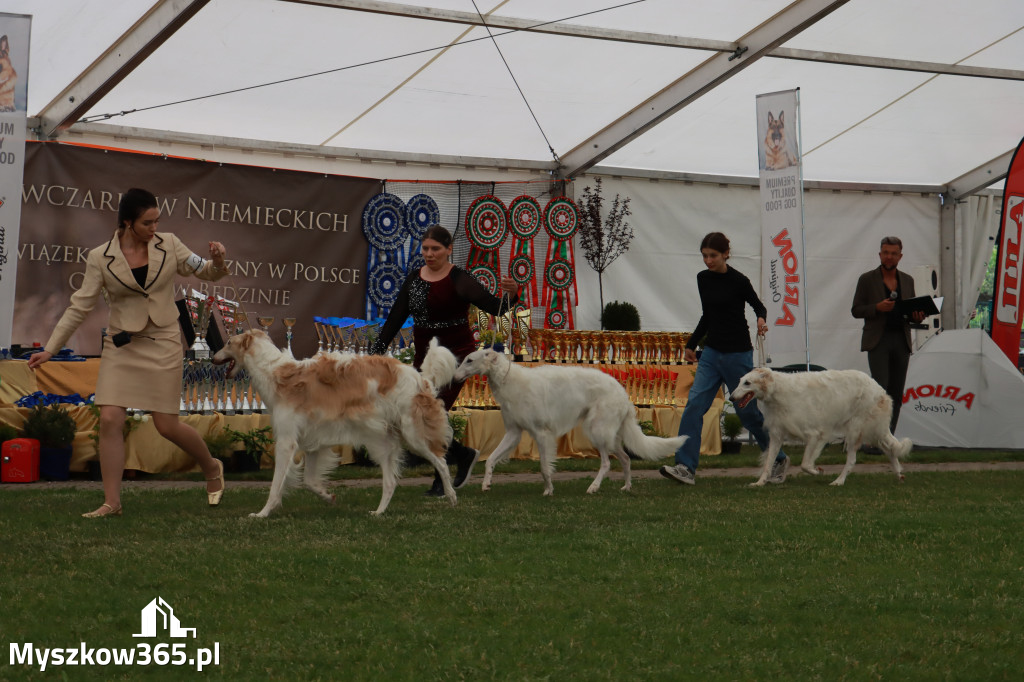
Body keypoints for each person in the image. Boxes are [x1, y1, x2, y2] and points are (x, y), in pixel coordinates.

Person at [28, 188, 231, 517]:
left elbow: (205, 270)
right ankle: (112, 502)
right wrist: (51, 348)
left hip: (163, 339)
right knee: (109, 419)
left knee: (166, 425)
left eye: (157, 221)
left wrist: (219, 260)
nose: (155, 228)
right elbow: (79, 307)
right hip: (122, 344)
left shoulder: (170, 244)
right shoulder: (100, 257)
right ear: (127, 222)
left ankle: (211, 466)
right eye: (147, 223)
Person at [370, 224, 518, 496]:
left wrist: (512, 292)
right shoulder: (414, 279)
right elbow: (396, 318)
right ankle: (461, 455)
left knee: (432, 414)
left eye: (435, 249)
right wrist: (375, 351)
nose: (429, 254)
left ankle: (444, 475)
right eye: (425, 248)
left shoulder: (459, 279)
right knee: (419, 414)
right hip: (424, 359)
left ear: (448, 249)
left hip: (454, 358)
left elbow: (498, 307)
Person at [660, 232, 789, 486]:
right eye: (705, 256)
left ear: (726, 254)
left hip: (739, 355)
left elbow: (758, 307)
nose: (708, 260)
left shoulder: (739, 280)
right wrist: (692, 343)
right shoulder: (703, 279)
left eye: (713, 256)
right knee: (695, 406)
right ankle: (685, 467)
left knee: (748, 415)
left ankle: (778, 459)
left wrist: (762, 319)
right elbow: (707, 315)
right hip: (711, 354)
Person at [851, 236, 926, 434]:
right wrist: (877, 307)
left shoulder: (907, 280)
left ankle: (888, 437)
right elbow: (856, 310)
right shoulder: (867, 279)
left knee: (896, 392)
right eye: (886, 253)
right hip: (878, 340)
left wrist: (917, 316)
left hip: (901, 340)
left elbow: (910, 311)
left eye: (893, 254)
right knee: (879, 391)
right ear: (880, 254)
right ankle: (873, 436)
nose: (889, 257)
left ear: (900, 256)